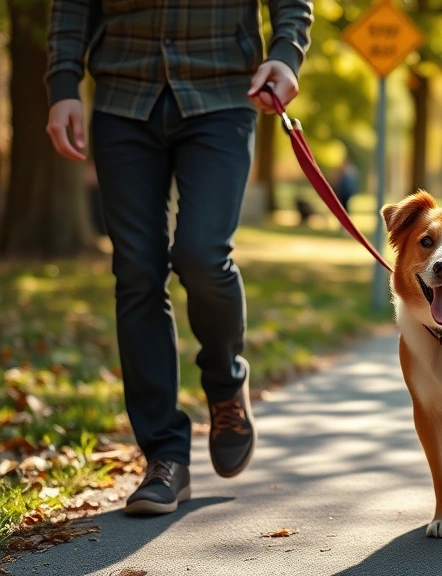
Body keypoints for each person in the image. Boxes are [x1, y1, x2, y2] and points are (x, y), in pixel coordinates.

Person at [45, 0, 313, 514]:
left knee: (202, 254)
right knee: (137, 273)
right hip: (123, 96)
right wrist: (62, 85)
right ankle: (164, 456)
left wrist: (284, 53)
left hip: (223, 94)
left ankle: (225, 381)